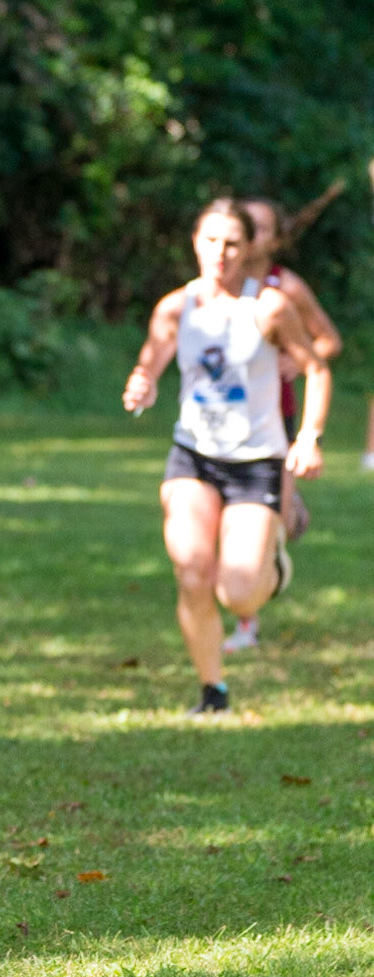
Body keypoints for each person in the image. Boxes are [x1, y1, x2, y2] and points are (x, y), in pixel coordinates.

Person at [122, 199, 329, 714]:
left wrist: (308, 437)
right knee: (192, 571)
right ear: (195, 242)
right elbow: (149, 365)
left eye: (232, 243)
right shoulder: (176, 308)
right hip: (193, 456)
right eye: (211, 240)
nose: (220, 252)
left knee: (237, 594)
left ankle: (273, 563)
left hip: (256, 461)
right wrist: (142, 385)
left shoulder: (269, 307)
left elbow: (317, 369)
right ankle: (213, 692)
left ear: (249, 248)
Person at [222, 195, 341, 651]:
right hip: (221, 423)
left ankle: (247, 621)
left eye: (263, 228)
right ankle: (287, 513)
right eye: (246, 225)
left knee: (266, 528)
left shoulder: (285, 287)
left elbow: (327, 341)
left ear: (275, 239)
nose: (252, 236)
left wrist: (297, 360)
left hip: (275, 418)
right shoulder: (214, 285)